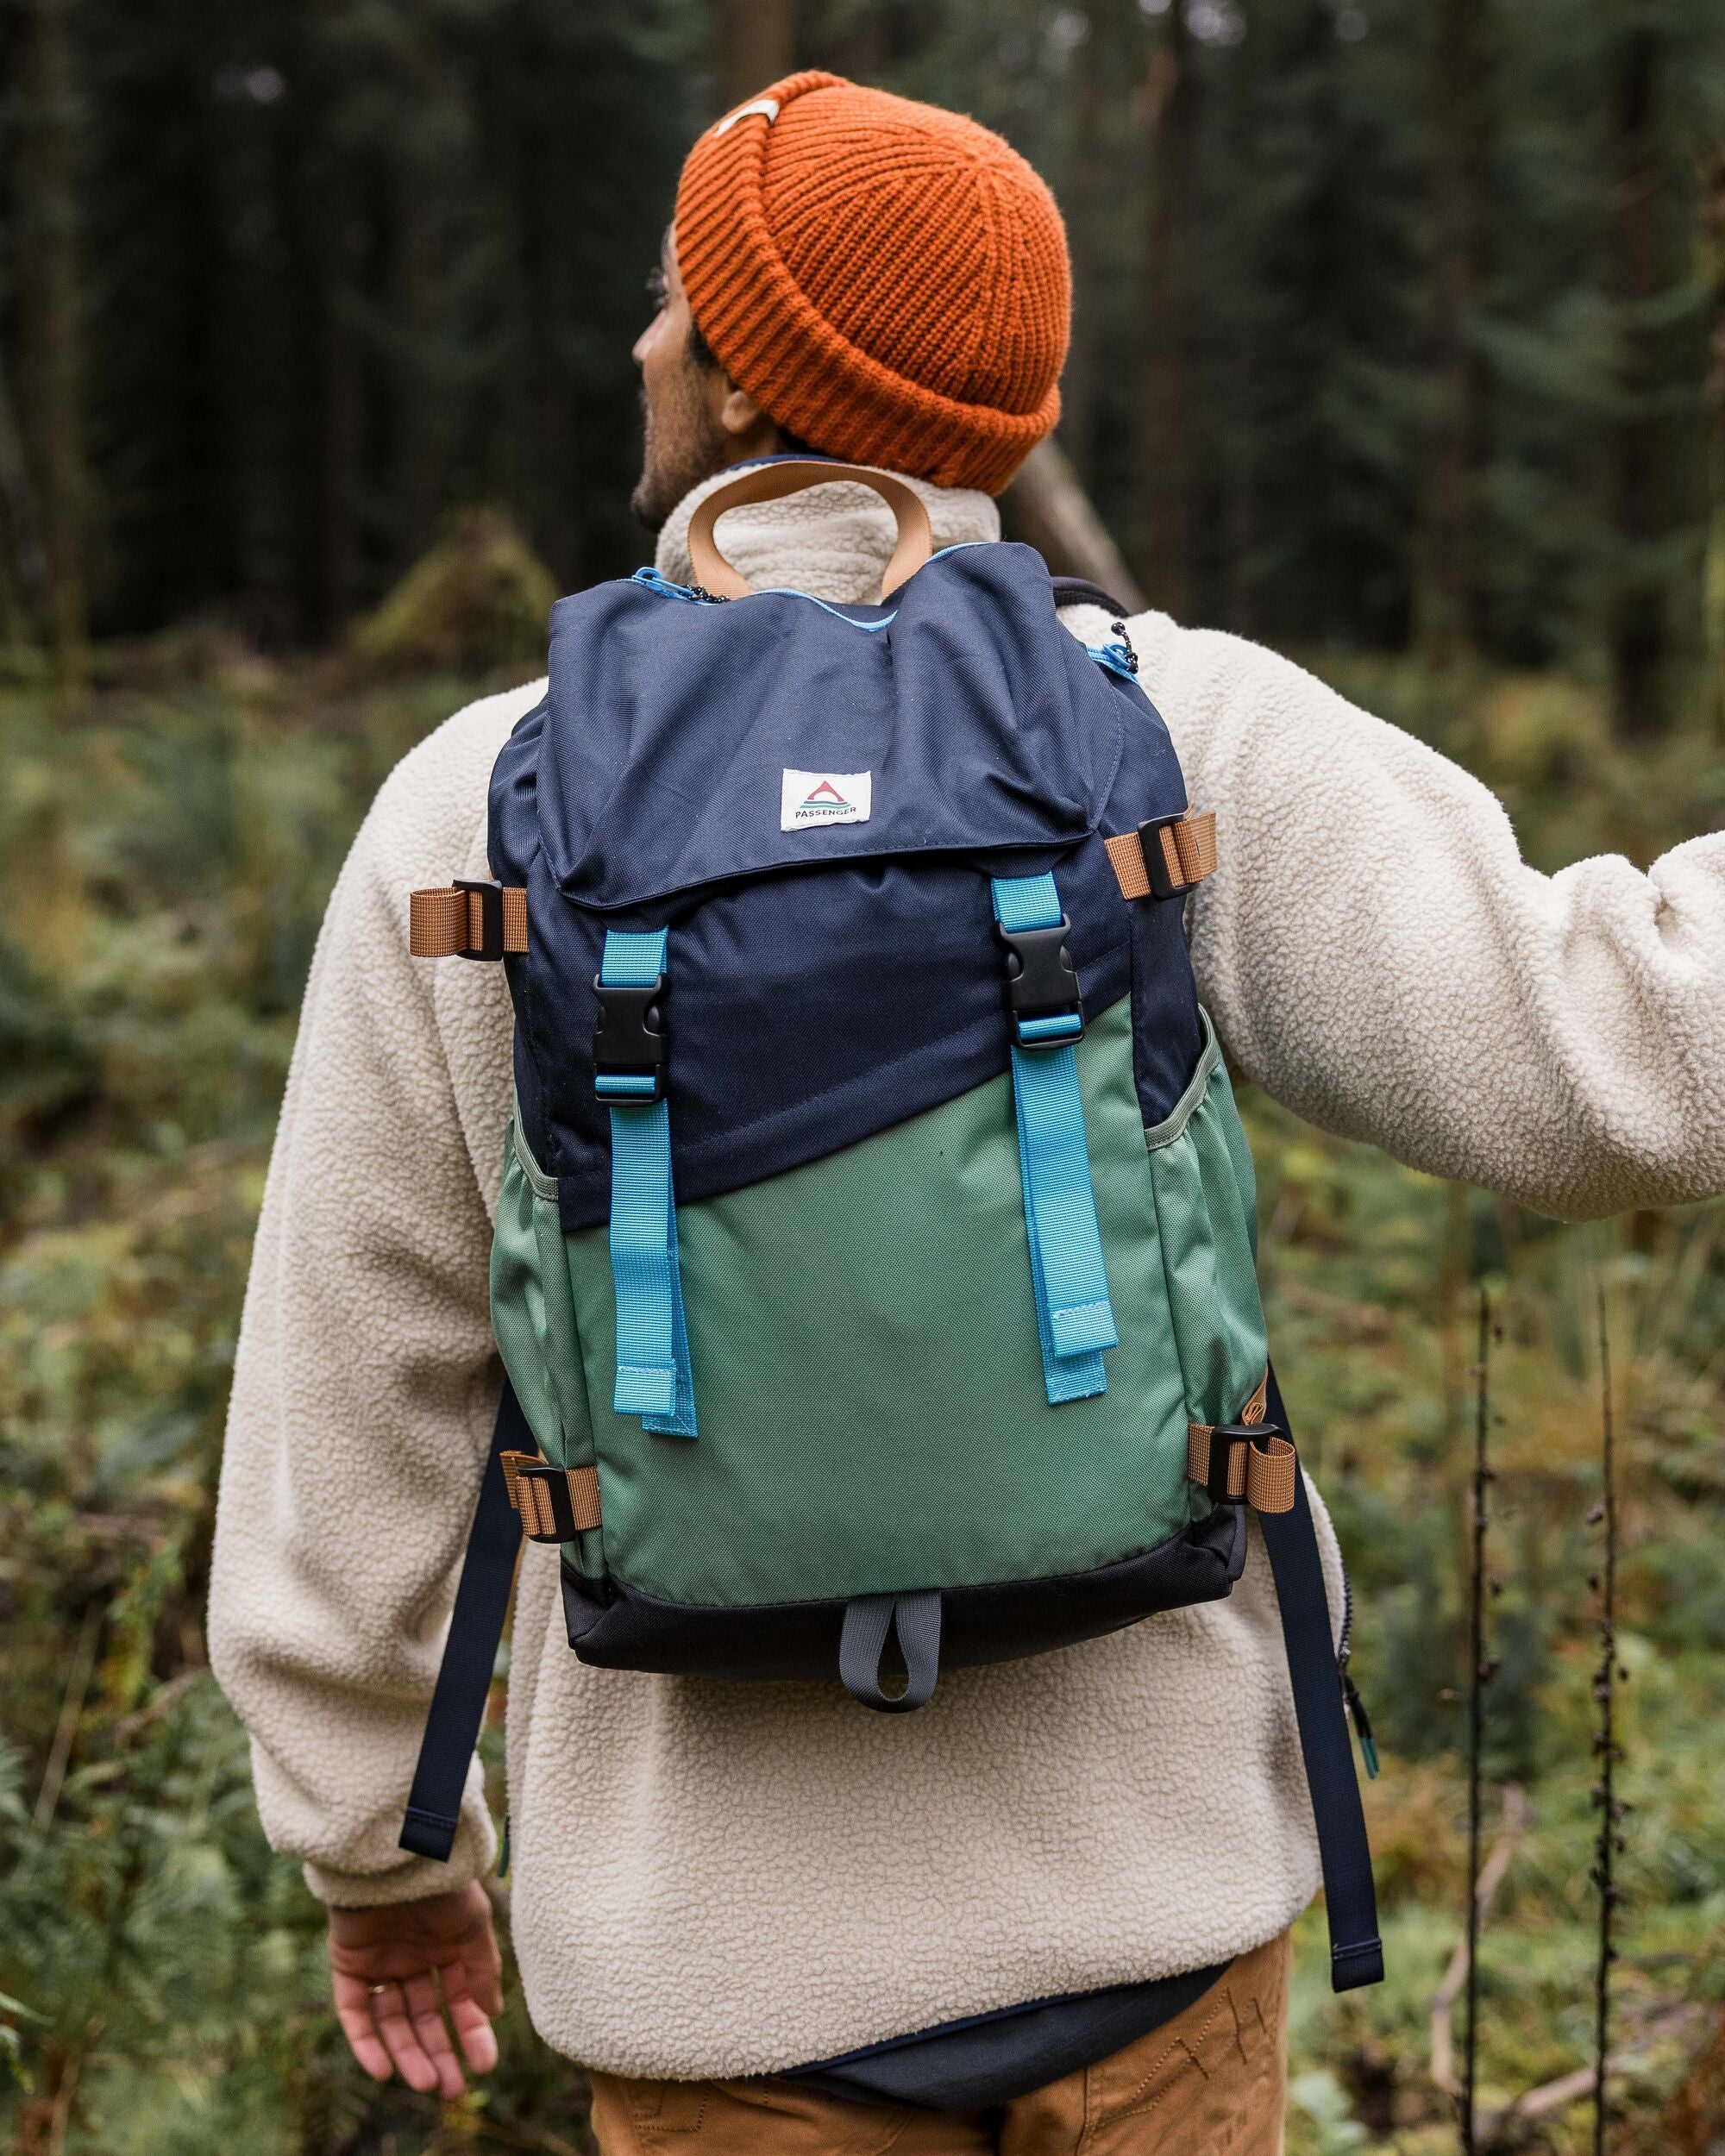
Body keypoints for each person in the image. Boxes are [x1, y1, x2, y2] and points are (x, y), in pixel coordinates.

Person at [209, 71, 1725, 2155]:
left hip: (718, 1981)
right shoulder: (1174, 727)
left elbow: (356, 1379)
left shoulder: (485, 797)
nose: (644, 341)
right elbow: (1622, 1067)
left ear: (750, 382)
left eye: (677, 305)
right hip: (1157, 1915)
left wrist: (380, 1851)